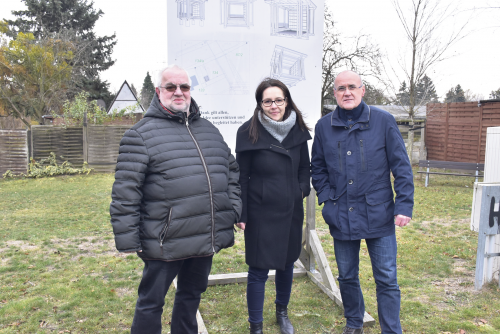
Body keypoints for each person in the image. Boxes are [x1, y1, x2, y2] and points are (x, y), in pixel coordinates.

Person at [109, 64, 242, 334]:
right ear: (159, 92)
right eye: (171, 87)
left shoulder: (209, 130)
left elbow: (231, 171)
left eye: (184, 87)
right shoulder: (140, 135)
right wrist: (128, 239)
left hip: (205, 235)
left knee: (191, 297)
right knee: (151, 303)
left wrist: (233, 209)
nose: (178, 92)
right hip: (165, 240)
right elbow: (125, 192)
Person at [311, 70, 414, 334]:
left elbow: (401, 166)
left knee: (387, 279)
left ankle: (391, 329)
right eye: (341, 88)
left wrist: (404, 205)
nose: (347, 92)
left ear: (362, 90)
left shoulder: (383, 121)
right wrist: (327, 200)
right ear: (334, 93)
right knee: (346, 276)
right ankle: (354, 323)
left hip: (378, 213)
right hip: (341, 214)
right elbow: (318, 168)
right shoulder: (324, 126)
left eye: (352, 87)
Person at [235, 78, 311, 334]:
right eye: (268, 101)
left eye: (279, 100)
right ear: (260, 104)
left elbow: (304, 168)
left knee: (287, 263)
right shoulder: (248, 132)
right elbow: (241, 177)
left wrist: (301, 190)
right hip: (259, 211)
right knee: (258, 269)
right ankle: (255, 326)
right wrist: (242, 213)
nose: (274, 105)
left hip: (290, 210)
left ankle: (282, 312)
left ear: (286, 100)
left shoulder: (298, 130)